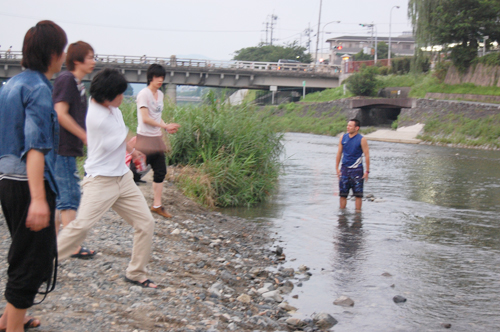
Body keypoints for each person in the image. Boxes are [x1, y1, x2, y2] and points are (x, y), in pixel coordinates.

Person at [57, 68, 158, 289]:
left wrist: (135, 152)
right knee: (80, 227)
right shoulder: (98, 118)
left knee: (145, 222)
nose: (123, 98)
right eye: (120, 94)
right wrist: (158, 143)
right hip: (101, 180)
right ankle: (42, 265)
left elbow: (125, 142)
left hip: (121, 178)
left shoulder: (112, 108)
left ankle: (136, 272)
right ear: (106, 97)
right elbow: (131, 140)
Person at [0, 20, 67, 332]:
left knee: (24, 254)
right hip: (30, 184)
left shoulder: (10, 85)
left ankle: (11, 319)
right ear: (52, 53)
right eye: (62, 50)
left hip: (7, 182)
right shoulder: (39, 89)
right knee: (31, 263)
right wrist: (39, 199)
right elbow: (35, 147)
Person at [53, 41, 96, 259]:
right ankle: (72, 246)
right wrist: (83, 135)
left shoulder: (78, 84)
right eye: (89, 57)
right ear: (77, 60)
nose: (93, 61)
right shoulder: (67, 79)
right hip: (62, 147)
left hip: (67, 148)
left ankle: (53, 243)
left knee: (60, 196)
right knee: (69, 196)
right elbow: (60, 113)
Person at [135, 64, 180, 218]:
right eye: (157, 77)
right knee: (134, 171)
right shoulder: (143, 94)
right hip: (144, 138)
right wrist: (164, 125)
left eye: (162, 77)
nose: (160, 80)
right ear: (150, 78)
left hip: (156, 137)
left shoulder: (160, 95)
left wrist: (165, 127)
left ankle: (157, 205)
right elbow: (146, 118)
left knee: (160, 171)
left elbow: (156, 116)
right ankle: (116, 198)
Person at [336, 119, 370, 211]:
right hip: (344, 169)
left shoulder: (361, 139)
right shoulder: (343, 138)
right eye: (347, 125)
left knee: (358, 195)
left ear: (357, 128)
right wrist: (337, 168)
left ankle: (357, 216)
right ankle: (342, 215)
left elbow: (367, 155)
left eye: (350, 126)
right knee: (342, 194)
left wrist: (367, 171)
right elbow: (339, 153)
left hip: (357, 170)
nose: (348, 127)